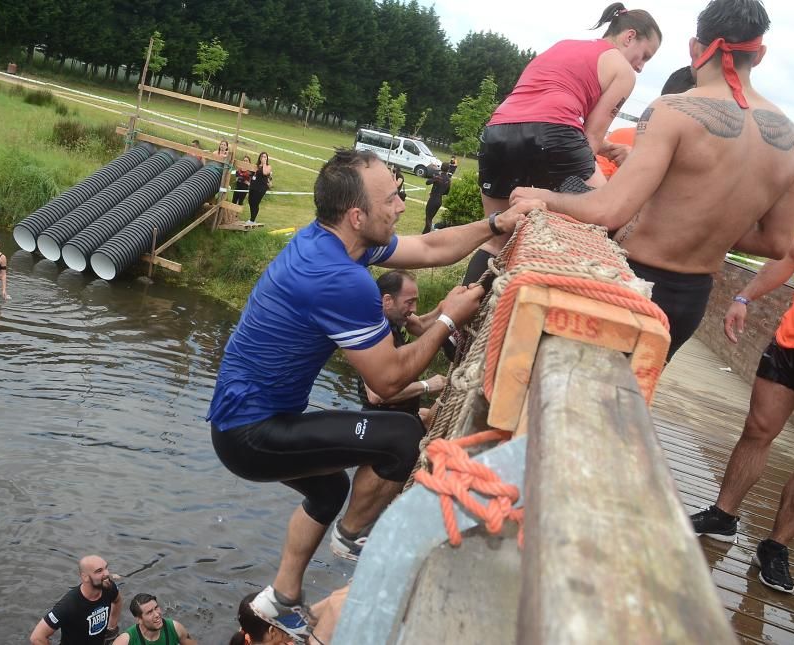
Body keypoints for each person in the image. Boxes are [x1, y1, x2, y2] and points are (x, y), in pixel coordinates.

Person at [207, 148, 543, 638]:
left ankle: (280, 598)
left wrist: (497, 225)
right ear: (357, 214)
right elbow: (386, 382)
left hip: (241, 424)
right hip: (251, 433)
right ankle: (353, 536)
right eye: (393, 198)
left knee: (329, 487)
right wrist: (448, 318)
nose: (402, 205)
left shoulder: (338, 244)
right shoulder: (339, 279)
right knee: (402, 435)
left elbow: (430, 249)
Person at [512, 0, 794, 360]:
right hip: (690, 301)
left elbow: (609, 210)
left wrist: (544, 197)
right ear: (760, 55)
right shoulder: (790, 139)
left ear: (695, 49)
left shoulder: (672, 110)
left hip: (631, 285)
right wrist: (707, 221)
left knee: (573, 388)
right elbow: (776, 243)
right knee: (630, 398)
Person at [472, 3, 662, 286]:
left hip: (498, 131)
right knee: (607, 217)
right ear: (629, 36)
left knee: (497, 238)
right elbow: (590, 138)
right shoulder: (622, 70)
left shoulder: (562, 45)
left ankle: (457, 325)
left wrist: (608, 149)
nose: (641, 66)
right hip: (554, 133)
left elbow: (541, 113)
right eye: (644, 55)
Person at [690, 239, 794, 593]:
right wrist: (743, 298)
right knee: (758, 429)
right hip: (791, 345)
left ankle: (775, 546)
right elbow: (789, 257)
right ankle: (723, 516)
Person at [357, 270, 446, 423]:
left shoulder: (395, 315)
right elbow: (376, 395)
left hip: (403, 412)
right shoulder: (370, 333)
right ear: (388, 301)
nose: (414, 309)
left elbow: (422, 325)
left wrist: (446, 308)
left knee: (434, 415)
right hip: (380, 420)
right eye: (409, 302)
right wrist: (427, 385)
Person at [30, 555, 122, 645]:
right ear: (85, 577)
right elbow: (37, 637)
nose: (106, 574)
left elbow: (117, 601)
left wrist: (112, 627)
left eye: (106, 568)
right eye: (99, 571)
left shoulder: (109, 587)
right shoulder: (68, 605)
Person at [112, 593, 196, 645]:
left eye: (156, 608)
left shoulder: (175, 628)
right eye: (149, 612)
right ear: (139, 619)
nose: (157, 614)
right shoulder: (125, 641)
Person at [422, 162, 451, 234]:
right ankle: (425, 233)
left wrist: (434, 179)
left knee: (428, 218)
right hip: (439, 200)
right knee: (430, 218)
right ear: (448, 170)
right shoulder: (448, 179)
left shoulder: (438, 177)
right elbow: (446, 192)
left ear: (441, 167)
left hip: (433, 199)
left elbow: (427, 182)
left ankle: (431, 232)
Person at [247, 152, 272, 224]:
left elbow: (265, 173)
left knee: (255, 203)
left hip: (261, 188)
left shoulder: (268, 166)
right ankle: (252, 219)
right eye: (262, 156)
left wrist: (264, 164)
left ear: (267, 158)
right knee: (250, 201)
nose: (263, 158)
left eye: (265, 157)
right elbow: (251, 174)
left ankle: (252, 220)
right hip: (253, 186)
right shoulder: (256, 165)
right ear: (260, 158)